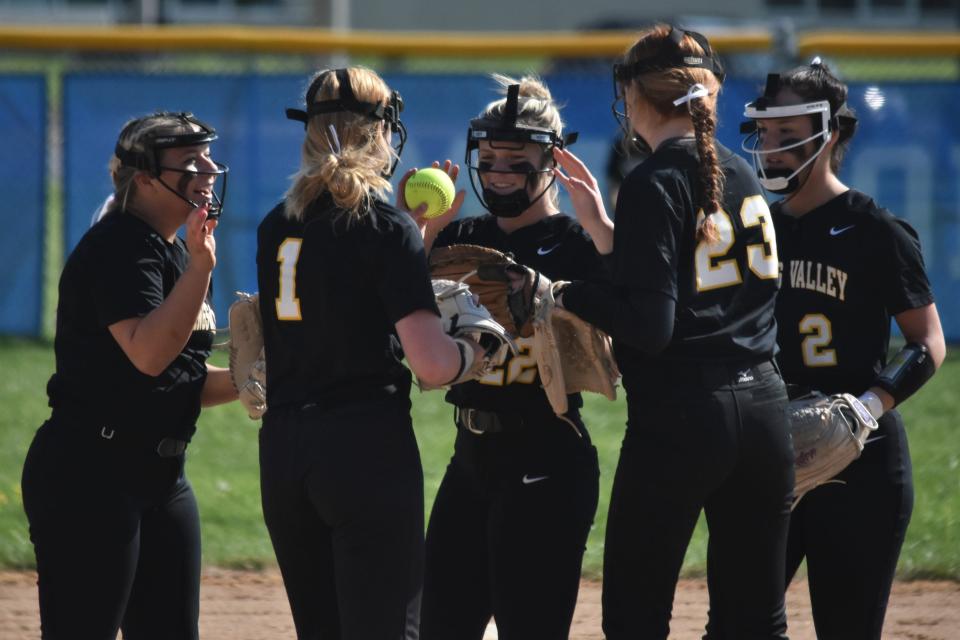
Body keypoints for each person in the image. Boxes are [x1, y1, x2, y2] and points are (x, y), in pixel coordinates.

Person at [552, 25, 795, 639]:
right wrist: (607, 232)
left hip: (683, 416)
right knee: (755, 619)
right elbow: (697, 291)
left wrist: (558, 292)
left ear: (635, 95)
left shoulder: (653, 179)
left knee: (635, 616)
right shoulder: (738, 172)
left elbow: (650, 326)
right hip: (765, 409)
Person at [256, 66, 487, 640]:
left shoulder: (274, 225)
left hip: (285, 452)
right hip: (362, 449)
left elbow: (341, 285)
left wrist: (415, 238)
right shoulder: (383, 228)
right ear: (381, 131)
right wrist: (477, 350)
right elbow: (432, 365)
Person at [741, 59, 946, 639]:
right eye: (765, 133)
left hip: (861, 457)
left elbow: (927, 343)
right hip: (770, 452)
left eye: (789, 134)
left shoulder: (874, 228)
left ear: (831, 133)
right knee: (739, 623)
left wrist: (867, 407)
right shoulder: (756, 229)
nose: (772, 148)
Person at [403, 74, 605, 640]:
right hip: (470, 457)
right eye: (488, 159)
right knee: (440, 625)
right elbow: (395, 318)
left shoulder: (577, 245)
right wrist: (421, 236)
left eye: (515, 161)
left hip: (547, 450)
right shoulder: (459, 236)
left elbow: (631, 322)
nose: (497, 173)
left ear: (551, 162)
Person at [20, 111, 234, 640]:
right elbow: (149, 354)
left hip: (161, 478)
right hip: (90, 475)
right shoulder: (121, 246)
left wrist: (274, 377)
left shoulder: (173, 250)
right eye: (190, 160)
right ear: (143, 177)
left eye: (207, 155)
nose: (208, 168)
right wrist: (202, 270)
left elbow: (177, 377)